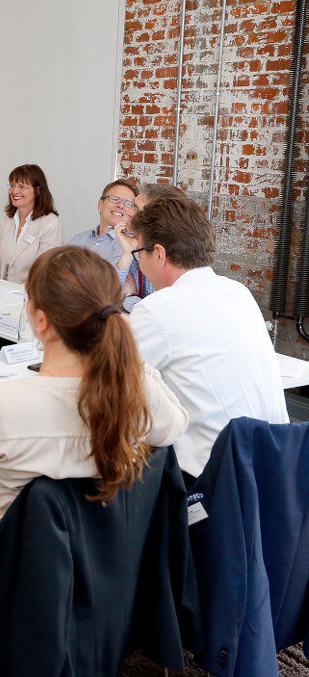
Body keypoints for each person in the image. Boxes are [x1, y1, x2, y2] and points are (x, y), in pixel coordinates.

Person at [0, 246, 187, 650]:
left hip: (1, 557)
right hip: (99, 553)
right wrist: (135, 363)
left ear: (39, 320)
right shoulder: (136, 397)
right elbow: (175, 427)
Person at [128, 196, 288, 479]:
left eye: (139, 252)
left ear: (159, 254)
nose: (139, 263)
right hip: (277, 469)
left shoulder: (157, 309)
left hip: (210, 479)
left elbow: (110, 385)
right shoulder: (238, 292)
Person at [67, 179, 149, 312]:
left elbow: (110, 293)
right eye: (115, 199)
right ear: (101, 205)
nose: (121, 205)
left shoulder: (132, 247)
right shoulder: (77, 240)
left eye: (128, 203)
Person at [0, 164, 63, 284]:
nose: (15, 191)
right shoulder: (7, 220)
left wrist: (13, 293)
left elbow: (44, 276)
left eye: (22, 186)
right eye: (12, 185)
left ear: (37, 191)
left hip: (30, 293)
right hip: (0, 291)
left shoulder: (50, 224)